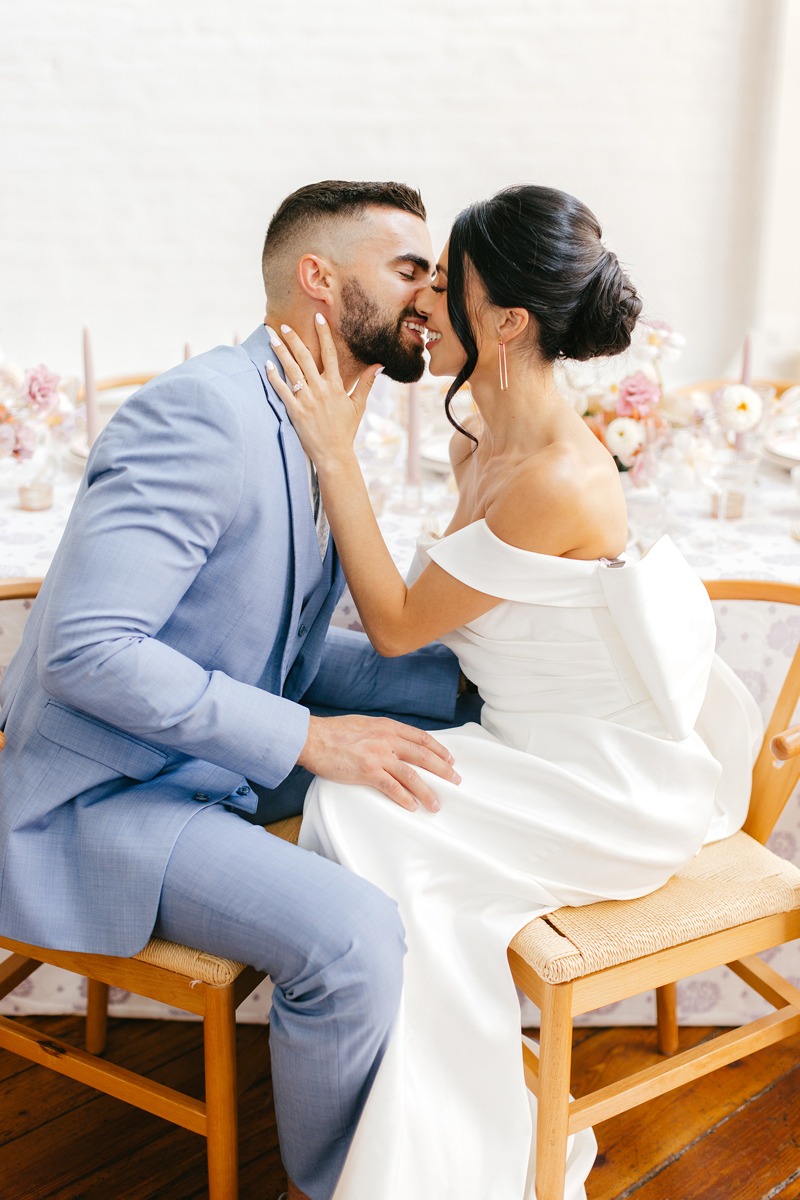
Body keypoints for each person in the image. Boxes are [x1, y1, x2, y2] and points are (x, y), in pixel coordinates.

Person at [268, 184, 763, 1200]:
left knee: (363, 814)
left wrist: (331, 455)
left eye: (446, 285)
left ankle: (446, 1155)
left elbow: (404, 625)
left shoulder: (555, 477)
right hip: (527, 746)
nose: (422, 305)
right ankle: (428, 1122)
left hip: (605, 785)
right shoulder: (473, 439)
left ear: (505, 321)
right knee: (363, 804)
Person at [0, 180, 480, 1200]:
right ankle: (335, 1186)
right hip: (103, 795)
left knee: (460, 774)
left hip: (202, 762)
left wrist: (467, 688)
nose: (427, 298)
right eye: (407, 269)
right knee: (350, 939)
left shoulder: (312, 418)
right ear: (317, 277)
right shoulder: (205, 414)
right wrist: (310, 742)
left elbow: (291, 656)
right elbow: (87, 648)